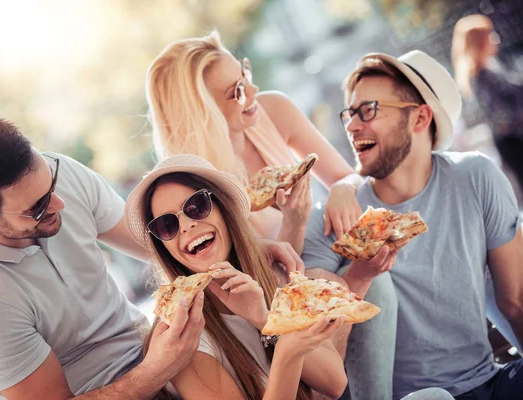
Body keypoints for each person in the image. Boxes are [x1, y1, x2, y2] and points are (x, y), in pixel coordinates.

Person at [0, 117, 304, 399]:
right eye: (40, 206)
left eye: (52, 183)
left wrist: (248, 245)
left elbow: (158, 242)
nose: (59, 203)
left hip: (154, 346)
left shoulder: (59, 176)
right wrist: (157, 369)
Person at [301, 50, 523, 400]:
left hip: (490, 383)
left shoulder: (476, 178)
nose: (352, 125)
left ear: (420, 118)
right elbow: (314, 348)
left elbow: (515, 300)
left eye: (368, 110)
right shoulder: (330, 218)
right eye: (350, 113)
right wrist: (360, 274)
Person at [123, 153, 347, 399]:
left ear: (223, 207)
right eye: (167, 225)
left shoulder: (273, 274)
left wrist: (265, 321)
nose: (186, 226)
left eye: (196, 207)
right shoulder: (181, 340)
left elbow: (335, 382)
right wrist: (286, 352)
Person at [146, 31, 363, 254]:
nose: (253, 90)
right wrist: (293, 224)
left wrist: (342, 188)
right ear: (203, 117)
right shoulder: (193, 190)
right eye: (237, 92)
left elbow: (350, 176)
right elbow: (269, 278)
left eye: (245, 76)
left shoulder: (274, 109)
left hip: (338, 250)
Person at [452, 14, 523, 189]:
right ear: (479, 42)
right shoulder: (480, 76)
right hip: (513, 142)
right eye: (489, 34)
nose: (495, 38)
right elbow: (499, 115)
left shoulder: (493, 67)